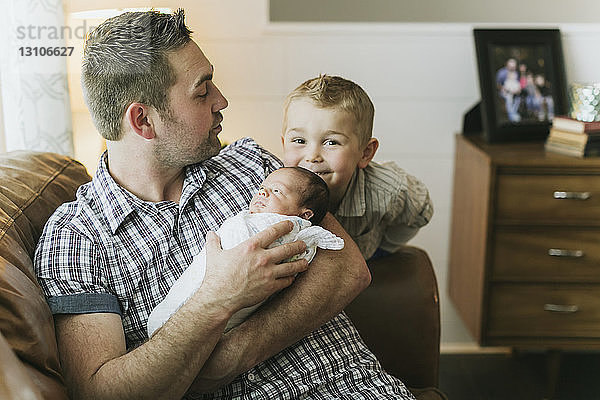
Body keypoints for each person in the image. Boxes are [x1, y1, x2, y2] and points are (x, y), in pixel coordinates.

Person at [33, 9, 415, 400]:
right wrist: (218, 298)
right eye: (202, 90)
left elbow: (348, 267)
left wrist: (225, 358)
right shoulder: (75, 238)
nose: (222, 100)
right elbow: (102, 392)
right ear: (143, 121)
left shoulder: (252, 164)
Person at [147, 167, 344, 337]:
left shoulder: (298, 233)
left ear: (305, 214)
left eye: (276, 191)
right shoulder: (247, 219)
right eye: (262, 189)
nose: (262, 194)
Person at [281, 74, 433, 260]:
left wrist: (384, 249)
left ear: (365, 153)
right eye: (299, 140)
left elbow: (421, 211)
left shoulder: (388, 190)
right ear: (283, 144)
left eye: (331, 142)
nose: (312, 156)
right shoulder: (272, 188)